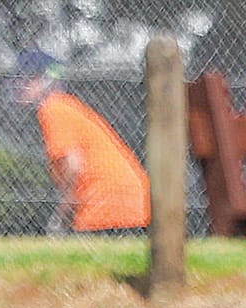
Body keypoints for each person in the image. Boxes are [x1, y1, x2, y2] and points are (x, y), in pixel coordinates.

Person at [9, 49, 150, 234]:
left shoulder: (53, 108)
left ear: (45, 80)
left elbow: (73, 165)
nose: (18, 85)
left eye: (26, 79)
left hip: (109, 211)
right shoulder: (65, 106)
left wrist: (62, 215)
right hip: (128, 208)